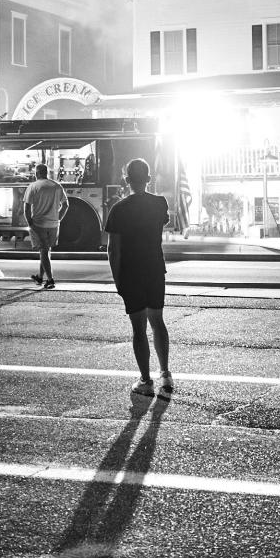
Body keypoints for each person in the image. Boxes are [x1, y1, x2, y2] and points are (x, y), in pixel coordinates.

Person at [104, 157, 172, 399]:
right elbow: (165, 221)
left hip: (131, 272)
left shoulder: (118, 209)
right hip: (155, 268)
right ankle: (165, 373)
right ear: (149, 178)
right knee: (158, 321)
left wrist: (117, 279)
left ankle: (145, 380)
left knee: (139, 328)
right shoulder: (159, 203)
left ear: (126, 180)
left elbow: (114, 249)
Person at [23, 162, 69, 289]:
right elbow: (66, 205)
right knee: (46, 251)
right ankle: (40, 277)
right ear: (46, 173)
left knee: (43, 251)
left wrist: (30, 222)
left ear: (37, 173)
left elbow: (26, 208)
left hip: (39, 224)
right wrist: (58, 218)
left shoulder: (33, 186)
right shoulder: (57, 186)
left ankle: (50, 279)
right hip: (54, 224)